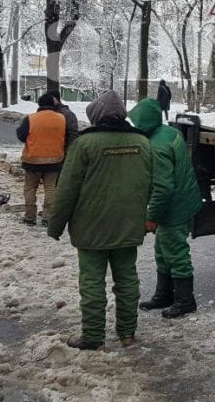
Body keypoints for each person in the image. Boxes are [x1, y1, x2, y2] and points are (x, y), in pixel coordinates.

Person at [48, 90, 152, 350]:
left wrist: (55, 225)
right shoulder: (142, 143)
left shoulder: (85, 144)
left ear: (96, 116)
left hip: (91, 226)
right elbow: (149, 183)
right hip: (128, 224)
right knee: (127, 279)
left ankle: (93, 335)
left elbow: (67, 189)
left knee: (92, 281)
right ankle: (127, 333)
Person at [129, 98, 203, 318]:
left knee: (176, 253)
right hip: (184, 199)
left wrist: (151, 216)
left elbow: (163, 188)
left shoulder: (155, 147)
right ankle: (164, 295)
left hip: (174, 208)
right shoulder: (170, 133)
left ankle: (185, 300)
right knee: (162, 250)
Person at [16, 95, 68, 226]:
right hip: (55, 159)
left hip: (33, 160)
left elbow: (21, 136)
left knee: (30, 188)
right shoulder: (62, 119)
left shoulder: (31, 118)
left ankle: (30, 217)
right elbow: (66, 136)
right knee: (51, 188)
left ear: (38, 104)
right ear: (53, 104)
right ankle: (48, 217)